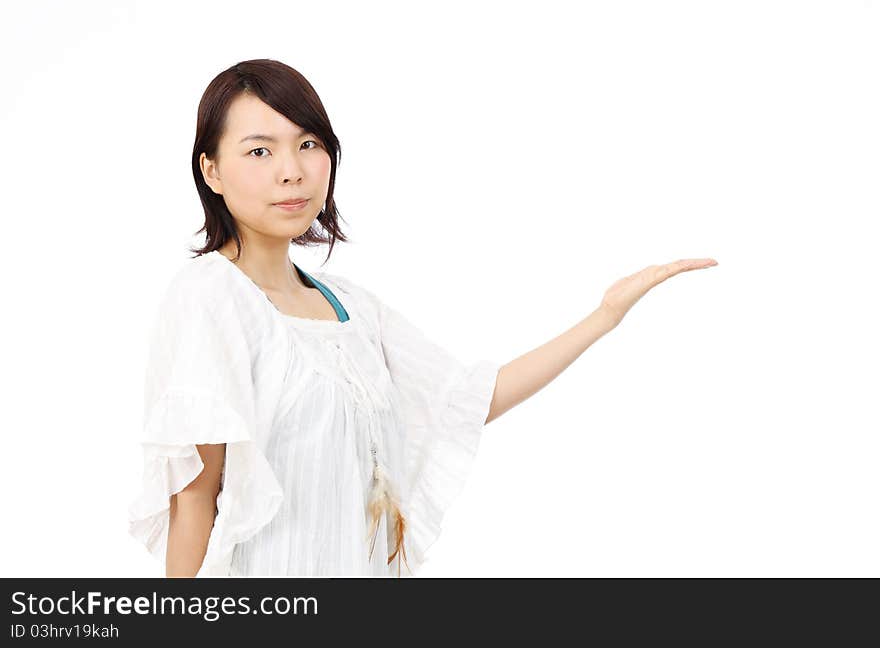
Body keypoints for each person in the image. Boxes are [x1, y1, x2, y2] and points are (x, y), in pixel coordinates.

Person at [127, 58, 718, 578]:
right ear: (211, 171)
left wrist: (604, 316)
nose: (292, 170)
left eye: (309, 144)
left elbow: (467, 401)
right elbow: (194, 501)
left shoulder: (350, 308)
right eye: (260, 150)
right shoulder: (210, 296)